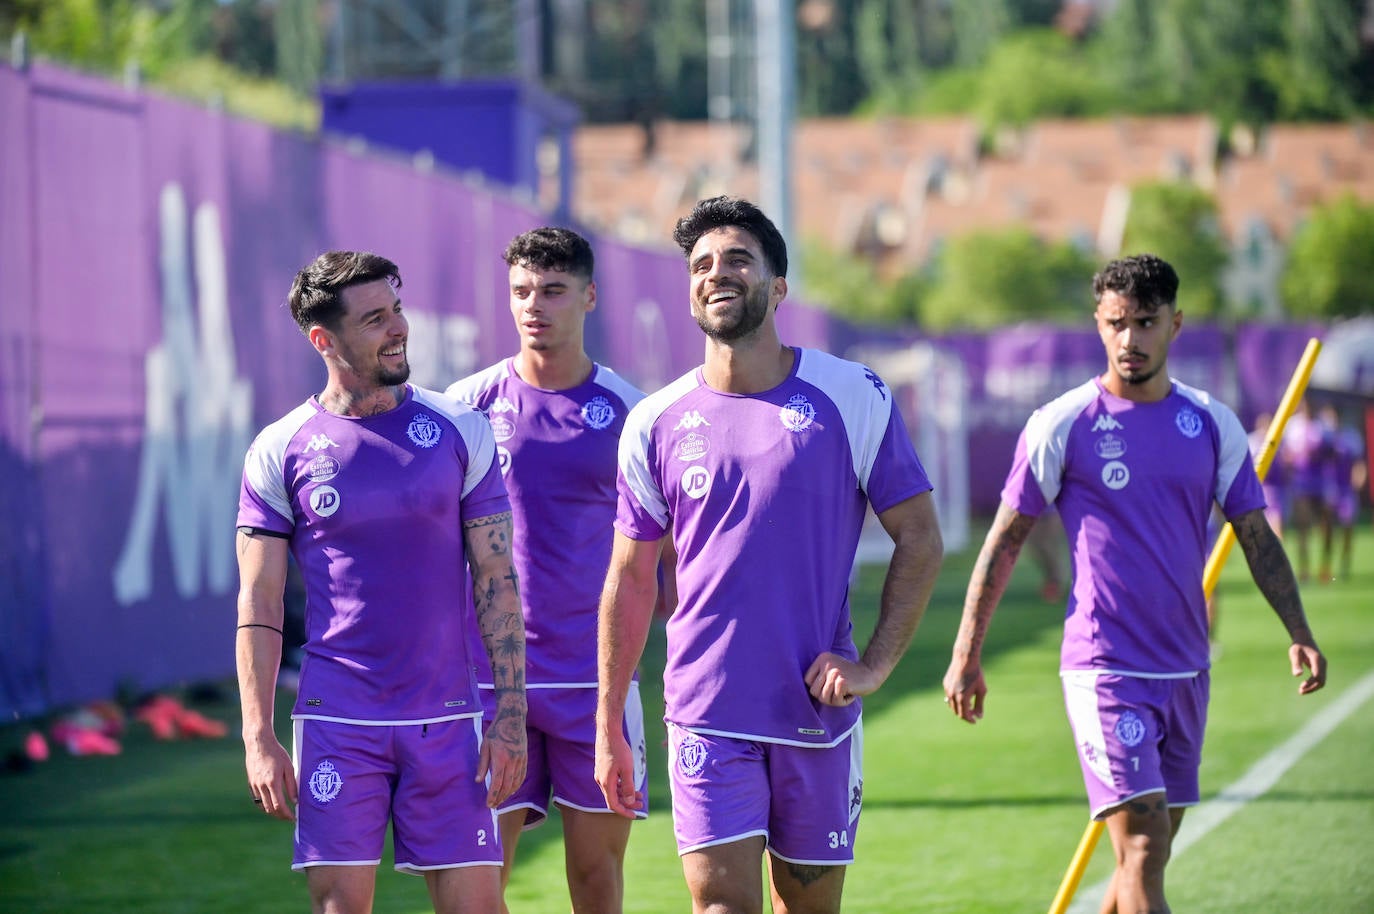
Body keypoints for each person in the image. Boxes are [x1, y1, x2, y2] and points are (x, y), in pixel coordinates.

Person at [942, 254, 1327, 914]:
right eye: (1117, 323)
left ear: (1175, 324)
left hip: (1186, 668)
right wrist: (965, 654)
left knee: (1137, 862)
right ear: (1098, 323)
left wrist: (1300, 632)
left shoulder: (1211, 424)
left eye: (1146, 323)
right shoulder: (1060, 425)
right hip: (1104, 669)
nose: (1131, 340)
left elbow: (1256, 538)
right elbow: (1004, 541)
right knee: (1144, 846)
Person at [596, 196, 944, 914]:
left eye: (736, 260)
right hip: (705, 709)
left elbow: (920, 536)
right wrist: (607, 727)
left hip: (816, 708)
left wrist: (873, 665)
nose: (716, 274)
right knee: (721, 906)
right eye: (700, 265)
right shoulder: (654, 423)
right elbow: (630, 579)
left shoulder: (850, 394)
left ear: (778, 287)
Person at [235, 251, 527, 914]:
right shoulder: (279, 449)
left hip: (450, 718)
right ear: (324, 340)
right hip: (339, 720)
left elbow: (497, 580)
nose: (398, 327)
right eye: (374, 319)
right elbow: (259, 601)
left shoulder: (460, 429)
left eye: (396, 308)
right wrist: (259, 735)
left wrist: (509, 714)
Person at [446, 227, 658, 914]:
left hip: (595, 684)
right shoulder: (465, 410)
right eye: (521, 291)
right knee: (479, 882)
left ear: (589, 296)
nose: (534, 305)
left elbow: (665, 560)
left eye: (554, 290)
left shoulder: (632, 413)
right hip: (488, 680)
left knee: (596, 883)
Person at [1316, 403, 1366, 581]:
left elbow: (1359, 462)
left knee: (1347, 526)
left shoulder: (1351, 436)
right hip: (1330, 489)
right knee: (1327, 529)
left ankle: (1345, 564)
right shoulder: (1323, 436)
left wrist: (1359, 477)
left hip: (1346, 490)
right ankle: (1326, 565)